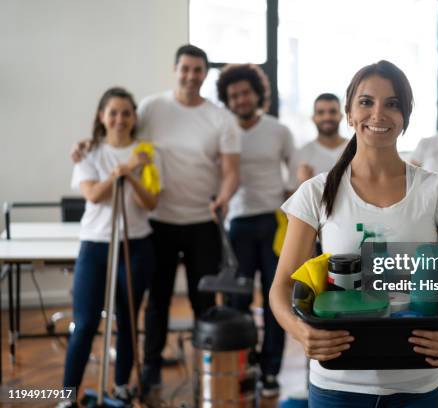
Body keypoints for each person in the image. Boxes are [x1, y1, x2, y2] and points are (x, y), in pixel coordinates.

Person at [269, 60, 438, 407]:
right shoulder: (316, 192)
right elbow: (280, 289)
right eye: (366, 102)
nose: (379, 114)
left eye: (392, 104)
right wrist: (301, 332)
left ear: (405, 116)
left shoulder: (437, 191)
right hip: (337, 384)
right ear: (349, 113)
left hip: (417, 383)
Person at [70, 44, 241, 406]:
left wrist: (224, 197)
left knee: (202, 300)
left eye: (198, 70)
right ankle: (148, 370)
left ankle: (202, 365)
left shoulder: (219, 118)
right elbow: (120, 133)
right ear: (175, 70)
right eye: (186, 69)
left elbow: (230, 172)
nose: (191, 76)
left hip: (202, 221)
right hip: (157, 223)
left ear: (205, 74)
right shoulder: (151, 107)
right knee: (157, 301)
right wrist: (90, 143)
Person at [59, 87, 161, 408]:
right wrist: (121, 170)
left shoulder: (146, 153)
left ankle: (120, 387)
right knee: (86, 321)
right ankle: (66, 395)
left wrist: (130, 173)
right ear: (102, 117)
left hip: (136, 245)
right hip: (95, 245)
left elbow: (151, 202)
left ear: (134, 118)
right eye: (112, 112)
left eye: (126, 113)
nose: (119, 119)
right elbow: (93, 195)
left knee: (127, 322)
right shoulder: (89, 153)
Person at [216, 63, 295, 397]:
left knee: (276, 298)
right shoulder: (221, 131)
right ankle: (243, 365)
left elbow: (294, 180)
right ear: (227, 99)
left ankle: (270, 371)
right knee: (238, 299)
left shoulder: (279, 130)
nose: (241, 99)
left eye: (245, 92)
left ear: (257, 93)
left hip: (274, 222)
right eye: (234, 95)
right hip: (238, 224)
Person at [290, 93, 348, 188]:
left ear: (341, 116)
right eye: (321, 112)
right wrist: (304, 184)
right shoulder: (301, 154)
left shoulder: (356, 150)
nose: (327, 117)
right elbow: (290, 195)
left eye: (332, 112)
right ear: (313, 118)